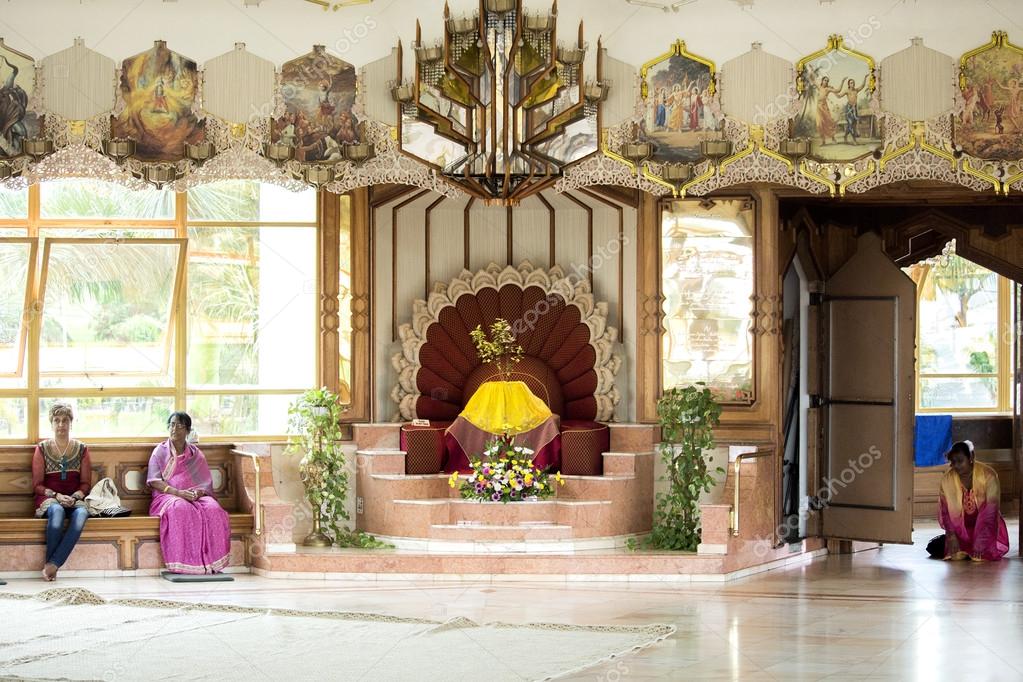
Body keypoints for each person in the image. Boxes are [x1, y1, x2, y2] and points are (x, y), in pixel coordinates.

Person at [147, 412, 231, 574]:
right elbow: (154, 481)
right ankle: (185, 563)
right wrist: (179, 493)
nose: (174, 429)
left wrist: (197, 493)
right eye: (172, 425)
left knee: (214, 509)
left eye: (179, 426)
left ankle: (210, 562)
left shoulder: (195, 454)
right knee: (181, 508)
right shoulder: (160, 452)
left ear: (187, 431)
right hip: (167, 497)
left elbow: (205, 483)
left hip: (194, 496)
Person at [32, 401, 92, 581]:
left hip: (74, 499)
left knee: (81, 515)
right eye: (57, 420)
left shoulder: (82, 449)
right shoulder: (42, 449)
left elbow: (85, 484)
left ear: (70, 423)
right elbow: (37, 485)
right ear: (51, 423)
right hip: (49, 498)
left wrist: (74, 497)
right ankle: (52, 567)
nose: (61, 425)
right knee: (57, 512)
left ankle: (52, 564)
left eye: (65, 420)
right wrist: (57, 496)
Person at [929, 440, 1009, 561]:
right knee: (951, 554)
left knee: (981, 556)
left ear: (971, 457)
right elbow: (945, 513)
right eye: (953, 462)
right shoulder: (947, 479)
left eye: (960, 461)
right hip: (960, 531)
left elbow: (990, 512)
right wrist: (951, 535)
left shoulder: (989, 475)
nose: (956, 466)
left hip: (986, 528)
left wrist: (981, 541)